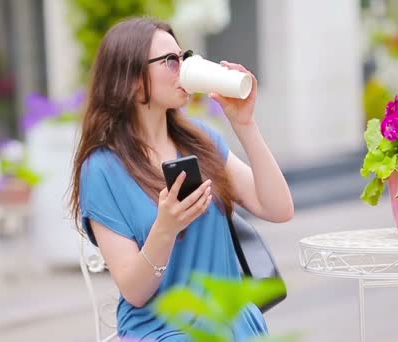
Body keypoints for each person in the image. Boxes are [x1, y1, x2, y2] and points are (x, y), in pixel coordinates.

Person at [69, 17, 294, 341]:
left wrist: (245, 125)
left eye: (184, 57)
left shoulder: (201, 138)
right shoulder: (102, 169)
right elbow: (134, 291)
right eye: (170, 61)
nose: (184, 68)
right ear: (131, 79)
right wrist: (166, 228)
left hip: (232, 325)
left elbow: (279, 209)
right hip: (163, 331)